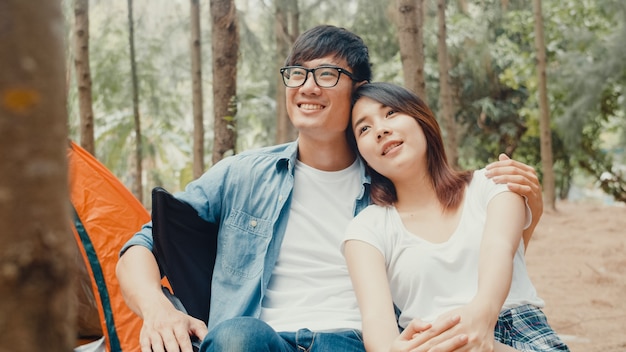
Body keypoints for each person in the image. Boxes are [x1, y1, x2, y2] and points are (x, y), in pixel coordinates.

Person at [116, 25, 545, 352]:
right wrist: (156, 309)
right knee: (237, 337)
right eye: (297, 73)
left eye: (325, 74)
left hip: (358, 340)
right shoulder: (243, 174)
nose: (307, 86)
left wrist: (530, 212)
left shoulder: (389, 177)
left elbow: (467, 244)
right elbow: (143, 244)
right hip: (260, 339)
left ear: (358, 89)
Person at [343, 82, 569, 352]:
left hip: (517, 334)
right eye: (364, 128)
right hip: (432, 344)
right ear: (362, 155)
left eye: (391, 113)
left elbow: (499, 246)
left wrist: (480, 317)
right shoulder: (365, 230)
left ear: (421, 120)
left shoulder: (493, 183)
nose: (380, 130)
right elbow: (377, 321)